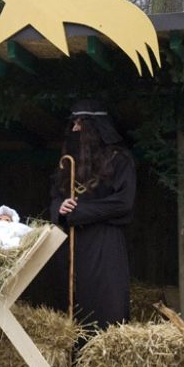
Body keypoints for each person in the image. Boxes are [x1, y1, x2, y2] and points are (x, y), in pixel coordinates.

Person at [48, 99, 136, 330]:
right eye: (74, 123)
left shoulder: (119, 159)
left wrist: (80, 212)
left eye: (80, 123)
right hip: (71, 243)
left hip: (104, 244)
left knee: (105, 305)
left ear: (95, 127)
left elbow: (123, 203)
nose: (75, 129)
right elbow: (55, 197)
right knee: (70, 303)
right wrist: (60, 209)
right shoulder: (67, 163)